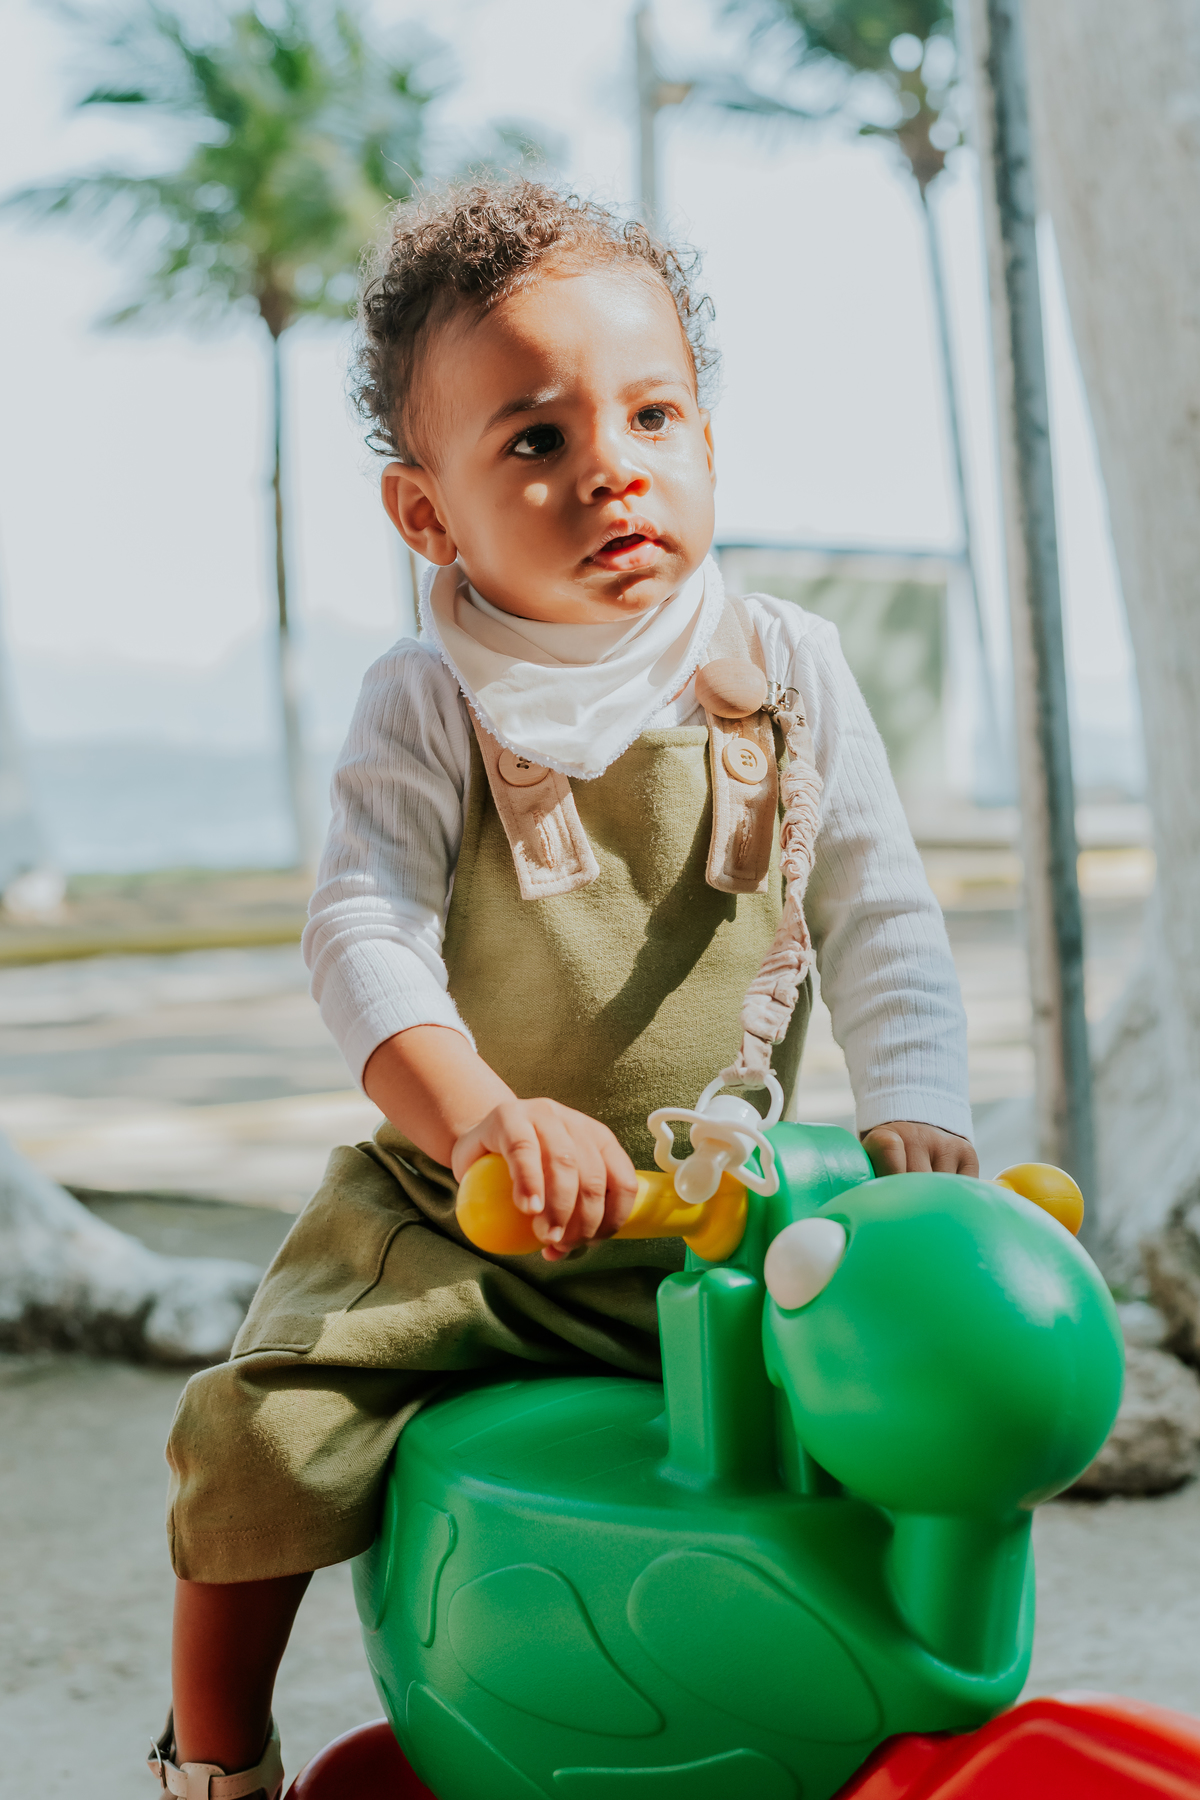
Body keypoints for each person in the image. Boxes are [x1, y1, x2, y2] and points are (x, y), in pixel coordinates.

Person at [150, 178, 978, 1799]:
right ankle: (217, 1755)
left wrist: (919, 1114)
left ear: (709, 444)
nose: (611, 466)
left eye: (653, 413)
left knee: (925, 1411)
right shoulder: (430, 697)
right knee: (258, 1434)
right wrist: (478, 1116)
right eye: (533, 441)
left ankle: (839, 1720)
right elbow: (360, 934)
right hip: (465, 1221)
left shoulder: (790, 664)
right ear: (427, 514)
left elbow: (881, 908)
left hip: (725, 1220)